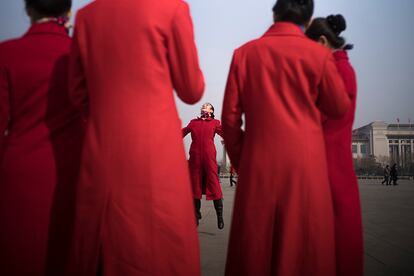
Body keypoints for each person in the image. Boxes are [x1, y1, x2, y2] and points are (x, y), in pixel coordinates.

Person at [68, 0, 204, 275]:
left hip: (104, 148)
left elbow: (78, 94)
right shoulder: (172, 8)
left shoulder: (86, 16)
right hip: (158, 151)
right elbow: (191, 89)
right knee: (164, 247)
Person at [221, 0, 351, 275]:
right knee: (304, 250)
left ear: (275, 13)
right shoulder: (317, 55)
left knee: (255, 251)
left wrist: (243, 162)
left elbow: (230, 121)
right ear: (308, 19)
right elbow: (339, 106)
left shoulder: (244, 54)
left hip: (258, 168)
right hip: (306, 169)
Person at [0, 1, 84, 275]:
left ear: (28, 10)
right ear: (68, 12)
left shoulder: (7, 53)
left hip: (18, 175)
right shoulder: (81, 55)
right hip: (75, 173)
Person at [305, 14, 364, 276]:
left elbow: (316, 117)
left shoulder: (336, 72)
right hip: (333, 166)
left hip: (329, 169)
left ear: (321, 41)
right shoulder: (342, 69)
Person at [183, 103, 225, 229]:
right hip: (195, 159)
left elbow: (226, 133)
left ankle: (219, 215)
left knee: (214, 184)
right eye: (203, 105)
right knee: (194, 186)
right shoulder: (193, 122)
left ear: (211, 110)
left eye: (206, 105)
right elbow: (182, 132)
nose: (203, 106)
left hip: (209, 158)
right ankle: (195, 215)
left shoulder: (215, 122)